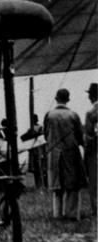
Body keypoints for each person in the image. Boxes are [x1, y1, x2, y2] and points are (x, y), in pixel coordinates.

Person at [43, 88, 86, 219]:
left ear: (56, 99)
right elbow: (80, 136)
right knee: (73, 184)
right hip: (71, 153)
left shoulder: (49, 115)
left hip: (54, 153)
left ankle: (57, 214)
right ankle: (72, 214)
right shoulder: (73, 115)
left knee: (57, 185)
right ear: (68, 99)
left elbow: (46, 135)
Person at [20, 114, 46, 188]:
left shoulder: (40, 127)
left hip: (38, 150)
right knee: (34, 169)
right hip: (33, 150)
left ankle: (41, 185)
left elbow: (42, 137)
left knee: (40, 168)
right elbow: (23, 137)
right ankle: (37, 185)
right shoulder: (30, 129)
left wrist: (35, 134)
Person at [84, 82, 97, 215]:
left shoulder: (90, 113)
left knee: (94, 181)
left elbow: (88, 136)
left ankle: (96, 209)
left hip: (95, 152)